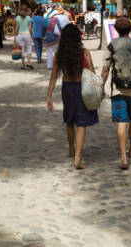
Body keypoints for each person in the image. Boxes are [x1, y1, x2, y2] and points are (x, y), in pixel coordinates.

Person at [101, 17, 131, 170]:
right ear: (130, 30)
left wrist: (101, 88)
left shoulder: (111, 46)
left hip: (118, 90)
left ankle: (123, 156)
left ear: (116, 29)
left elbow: (105, 70)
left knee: (122, 122)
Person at [46, 24, 97, 170]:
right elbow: (92, 73)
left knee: (69, 120)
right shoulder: (85, 53)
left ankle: (71, 150)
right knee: (81, 123)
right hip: (82, 88)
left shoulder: (59, 55)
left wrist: (49, 97)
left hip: (67, 89)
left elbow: (54, 76)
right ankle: (77, 158)